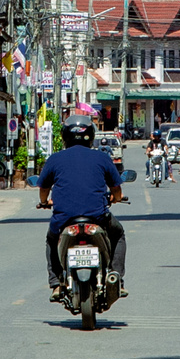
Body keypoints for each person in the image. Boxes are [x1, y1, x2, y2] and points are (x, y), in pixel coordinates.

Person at [38, 115, 126, 301]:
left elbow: (43, 188)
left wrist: (45, 202)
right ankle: (117, 277)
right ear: (91, 136)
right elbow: (116, 189)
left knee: (51, 239)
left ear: (64, 136)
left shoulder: (55, 159)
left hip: (64, 219)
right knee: (117, 234)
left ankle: (55, 283)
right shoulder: (102, 157)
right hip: (98, 217)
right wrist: (116, 198)